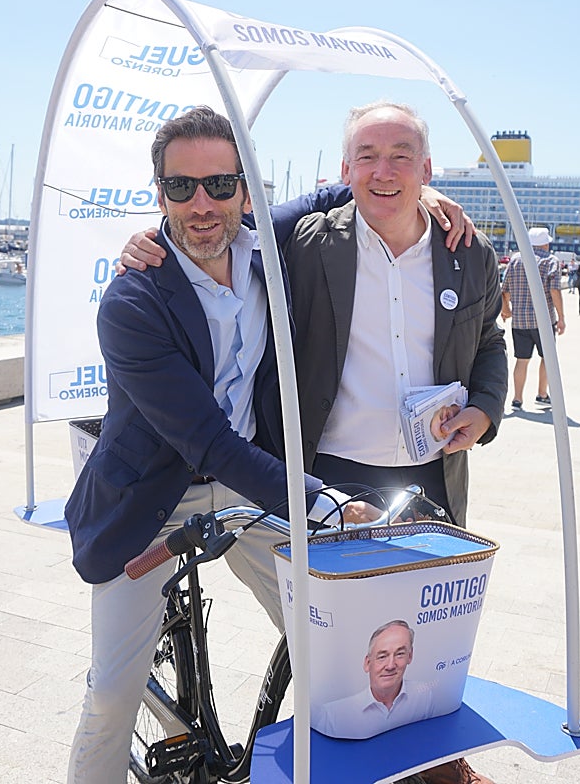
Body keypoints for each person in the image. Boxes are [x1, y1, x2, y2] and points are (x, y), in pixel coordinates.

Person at [121, 102, 504, 784]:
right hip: (326, 484)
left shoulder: (465, 250)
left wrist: (483, 406)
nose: (383, 172)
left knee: (417, 649)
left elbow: (489, 343)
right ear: (344, 167)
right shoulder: (304, 243)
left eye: (402, 158)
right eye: (367, 156)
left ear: (427, 167)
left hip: (428, 487)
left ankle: (425, 768)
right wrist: (146, 239)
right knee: (342, 651)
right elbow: (202, 223)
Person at [65, 107, 379, 784]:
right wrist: (321, 503)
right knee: (113, 693)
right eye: (181, 188)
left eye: (218, 185)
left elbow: (339, 189)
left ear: (246, 189)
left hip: (246, 483)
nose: (201, 204)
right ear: (159, 195)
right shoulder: (132, 302)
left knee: (332, 636)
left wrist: (433, 196)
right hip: (152, 501)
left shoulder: (267, 244)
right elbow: (205, 439)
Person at [315, 620, 435, 740]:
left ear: (410, 656)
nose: (390, 666)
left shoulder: (424, 697)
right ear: (367, 663)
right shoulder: (333, 715)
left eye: (400, 654)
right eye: (382, 656)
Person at [500, 226, 565, 409]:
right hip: (543, 321)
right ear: (545, 244)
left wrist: (506, 310)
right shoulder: (551, 261)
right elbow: (554, 290)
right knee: (547, 358)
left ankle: (517, 398)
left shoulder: (515, 260)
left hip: (520, 321)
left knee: (521, 360)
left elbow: (503, 290)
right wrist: (561, 317)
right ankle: (542, 394)